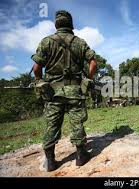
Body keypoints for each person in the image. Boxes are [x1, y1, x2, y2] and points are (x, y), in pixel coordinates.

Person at [31, 10, 97, 172]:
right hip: (75, 90)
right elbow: (93, 63)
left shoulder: (46, 42)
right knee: (77, 122)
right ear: (71, 25)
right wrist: (88, 78)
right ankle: (81, 156)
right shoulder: (80, 43)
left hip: (54, 93)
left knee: (52, 124)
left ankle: (51, 161)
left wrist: (40, 80)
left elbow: (36, 68)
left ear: (56, 24)